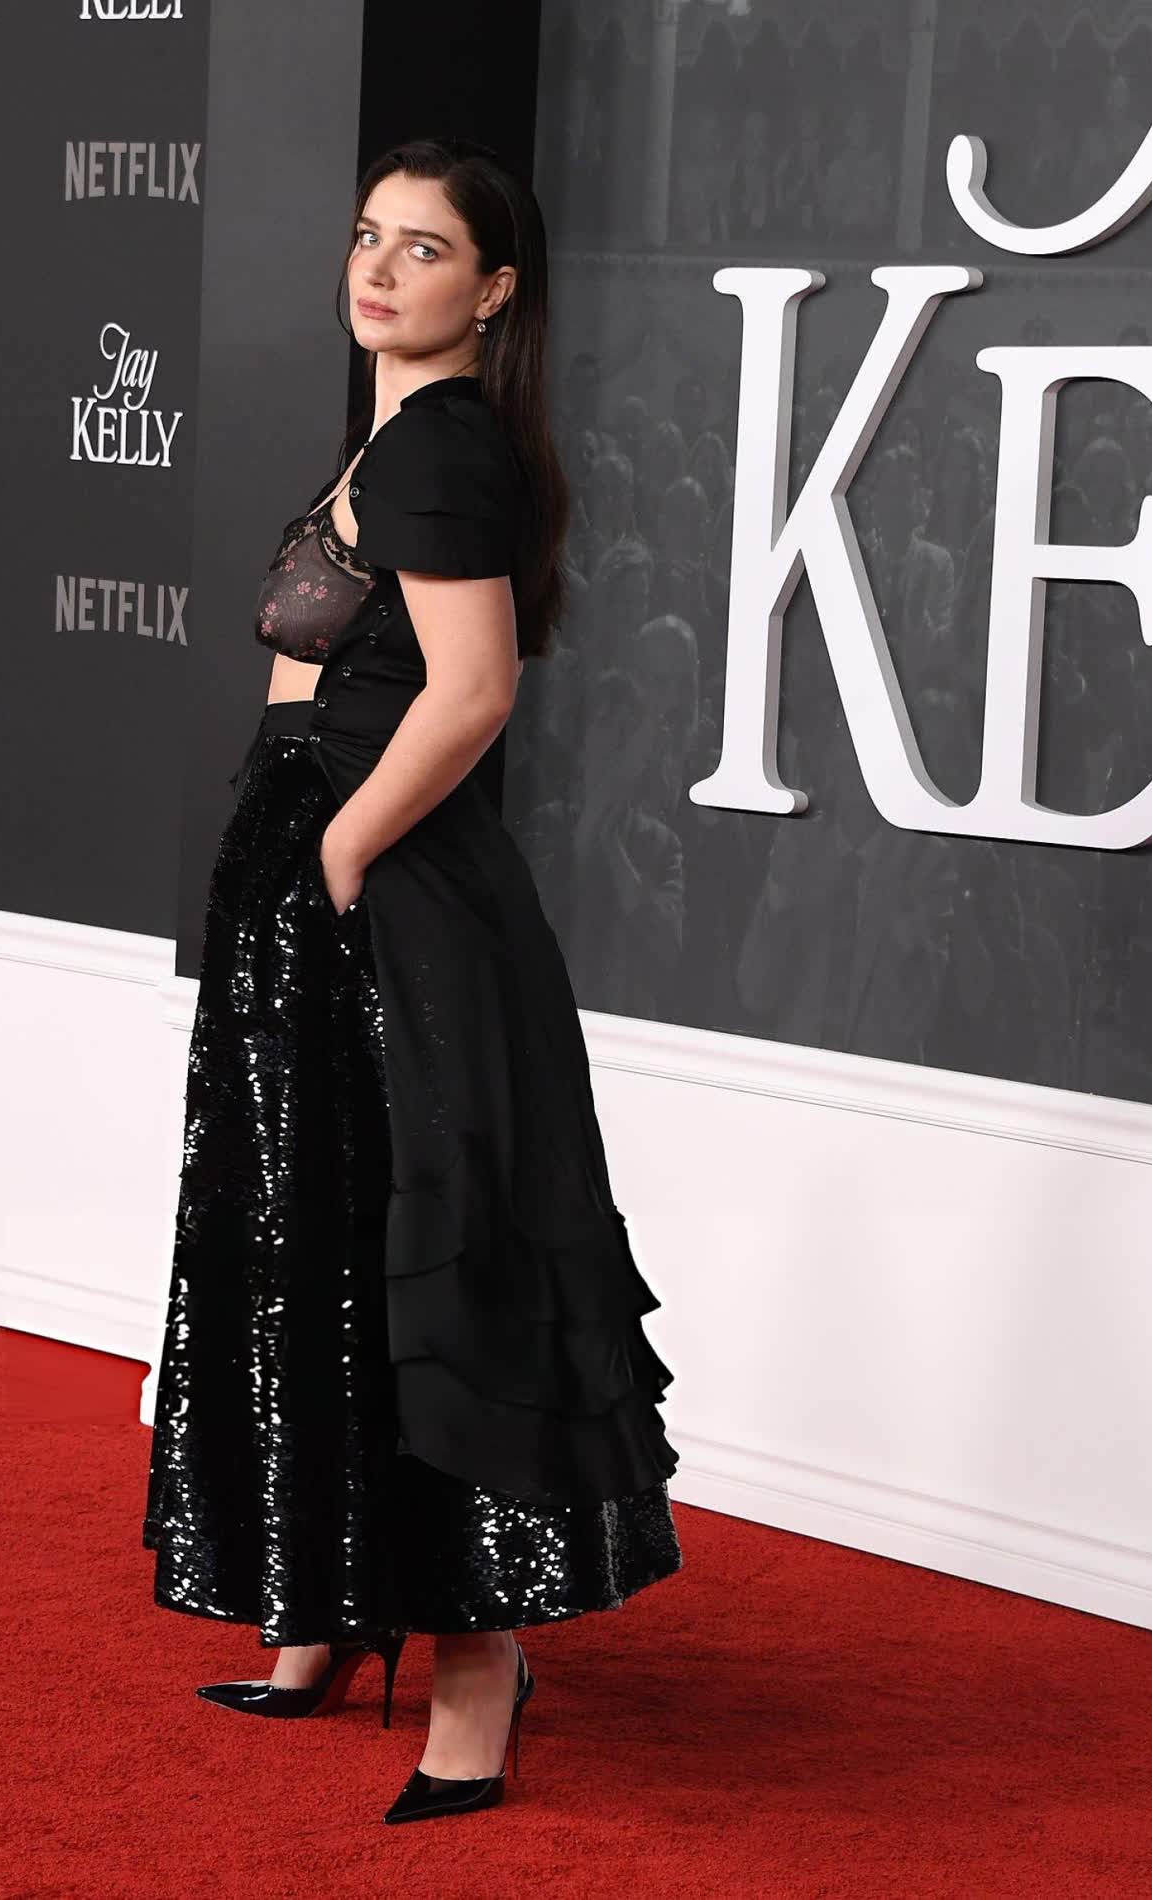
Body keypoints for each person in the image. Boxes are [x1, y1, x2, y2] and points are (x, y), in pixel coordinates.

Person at [142, 133, 683, 1827]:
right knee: (312, 1241)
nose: (378, 270)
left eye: (425, 248)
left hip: (385, 902)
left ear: (494, 289)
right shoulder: (399, 436)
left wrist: (337, 855)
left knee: (406, 1261)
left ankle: (472, 1673)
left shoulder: (441, 447)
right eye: (368, 236)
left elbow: (471, 689)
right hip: (326, 881)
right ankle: (319, 1607)